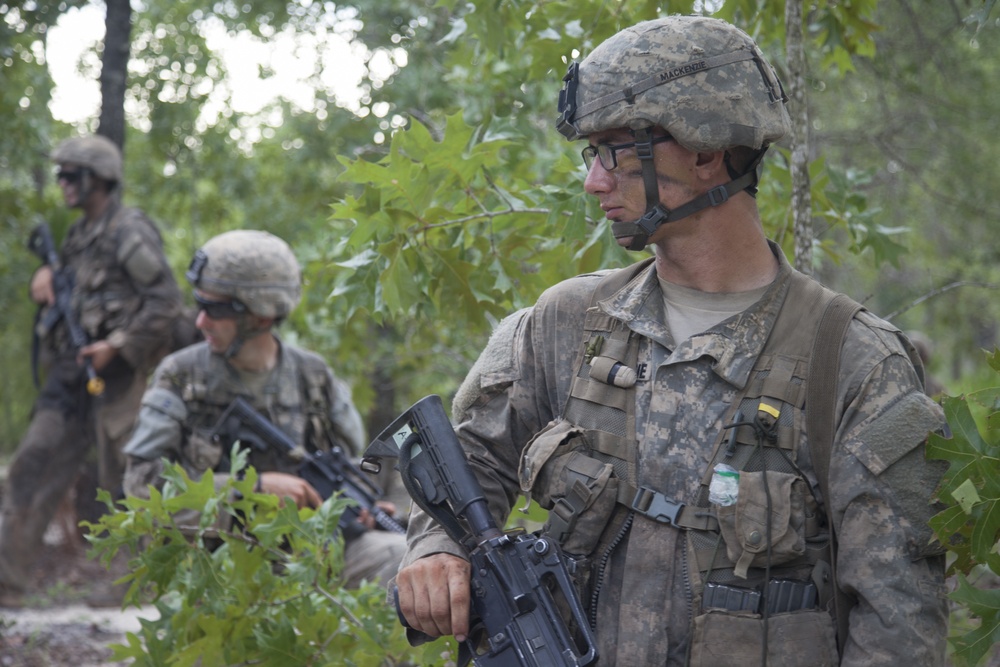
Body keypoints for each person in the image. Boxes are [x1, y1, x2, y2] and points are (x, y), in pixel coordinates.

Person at [393, 16, 948, 667]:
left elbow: (898, 630)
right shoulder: (566, 323)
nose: (592, 181)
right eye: (589, 154)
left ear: (706, 150)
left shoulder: (851, 364)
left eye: (615, 151)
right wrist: (435, 549)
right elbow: (471, 465)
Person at [121, 229, 406, 589]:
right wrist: (249, 490)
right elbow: (140, 489)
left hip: (311, 552)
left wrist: (362, 510)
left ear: (261, 317)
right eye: (199, 304)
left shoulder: (314, 378)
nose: (199, 321)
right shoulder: (181, 376)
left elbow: (354, 469)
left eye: (214, 309)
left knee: (404, 561)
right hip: (218, 564)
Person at [0, 135, 183, 603]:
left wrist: (117, 345)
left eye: (69, 175)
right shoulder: (77, 237)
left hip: (119, 380)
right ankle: (9, 586)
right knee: (33, 465)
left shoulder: (128, 232)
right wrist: (43, 282)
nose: (61, 183)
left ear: (97, 179)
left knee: (134, 480)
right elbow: (72, 298)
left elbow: (166, 301)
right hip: (71, 379)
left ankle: (158, 592)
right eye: (59, 174)